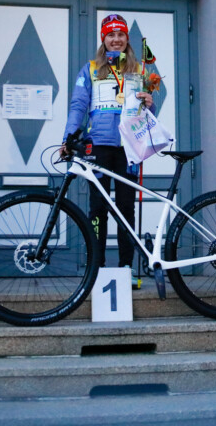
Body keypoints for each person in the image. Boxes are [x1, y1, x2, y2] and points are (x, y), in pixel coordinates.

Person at [62, 14, 155, 287]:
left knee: (127, 208)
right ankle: (97, 265)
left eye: (121, 35)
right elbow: (78, 105)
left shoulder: (139, 71)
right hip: (98, 146)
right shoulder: (90, 69)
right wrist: (68, 137)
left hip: (128, 147)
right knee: (97, 209)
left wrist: (150, 102)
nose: (116, 39)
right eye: (110, 35)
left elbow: (150, 112)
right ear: (103, 39)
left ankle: (126, 266)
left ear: (127, 39)